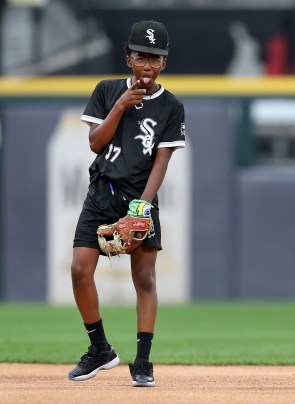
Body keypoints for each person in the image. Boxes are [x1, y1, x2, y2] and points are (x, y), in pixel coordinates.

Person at [67, 20, 186, 387]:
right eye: (141, 57)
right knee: (79, 269)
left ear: (164, 63)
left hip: (139, 199)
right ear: (128, 57)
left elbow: (162, 160)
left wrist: (143, 207)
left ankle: (144, 361)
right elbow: (95, 143)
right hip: (101, 192)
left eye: (155, 58)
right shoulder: (107, 91)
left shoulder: (171, 106)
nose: (147, 65)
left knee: (145, 278)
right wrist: (119, 105)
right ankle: (100, 348)